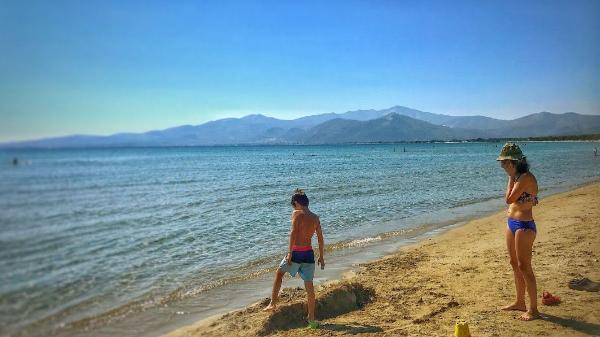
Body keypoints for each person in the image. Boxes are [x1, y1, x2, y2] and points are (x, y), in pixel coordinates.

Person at [263, 189, 325, 329]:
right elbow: (320, 239)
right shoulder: (315, 217)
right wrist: (321, 257)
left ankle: (273, 303)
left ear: (296, 203)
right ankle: (311, 319)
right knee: (309, 287)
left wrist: (290, 253)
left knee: (279, 274)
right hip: (309, 254)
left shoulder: (296, 213)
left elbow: (293, 233)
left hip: (296, 253)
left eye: (293, 204)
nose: (293, 207)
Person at [497, 143, 540, 321]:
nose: (502, 166)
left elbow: (509, 199)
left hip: (524, 225)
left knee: (524, 267)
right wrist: (512, 176)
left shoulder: (525, 178)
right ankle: (519, 302)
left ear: (513, 162)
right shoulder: (516, 177)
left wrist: (510, 178)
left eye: (504, 163)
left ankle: (534, 309)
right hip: (512, 222)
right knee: (514, 263)